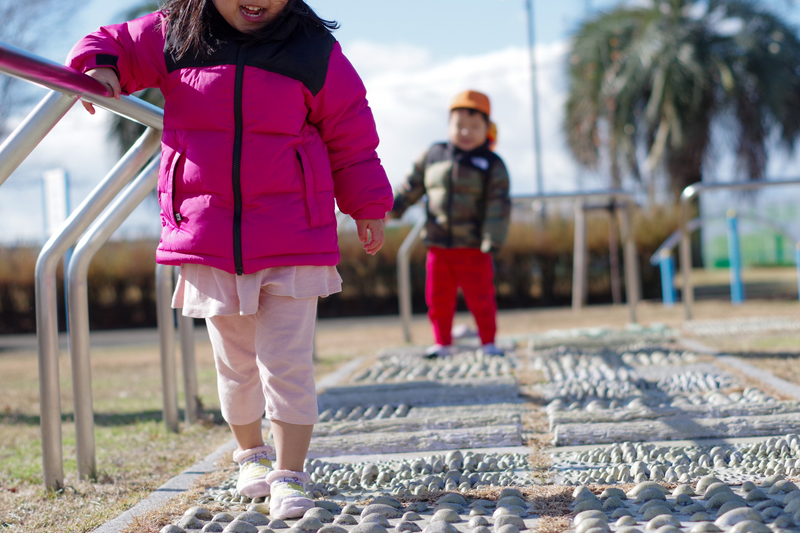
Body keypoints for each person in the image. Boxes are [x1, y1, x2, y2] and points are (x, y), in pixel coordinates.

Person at [68, 0, 392, 520]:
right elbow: (115, 42)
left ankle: (289, 474)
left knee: (286, 364)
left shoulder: (312, 49)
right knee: (236, 366)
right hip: (211, 236)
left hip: (293, 234)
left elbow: (350, 132)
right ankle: (251, 456)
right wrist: (99, 65)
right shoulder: (177, 33)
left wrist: (367, 203)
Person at [388, 90, 511, 359]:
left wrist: (492, 239)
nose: (466, 132)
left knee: (481, 298)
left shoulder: (492, 164)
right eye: (459, 125)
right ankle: (442, 342)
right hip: (438, 244)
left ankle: (488, 342)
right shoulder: (434, 154)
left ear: (487, 128)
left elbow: (498, 205)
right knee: (438, 298)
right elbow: (411, 186)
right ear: (448, 125)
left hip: (474, 246)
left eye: (474, 126)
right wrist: (392, 208)